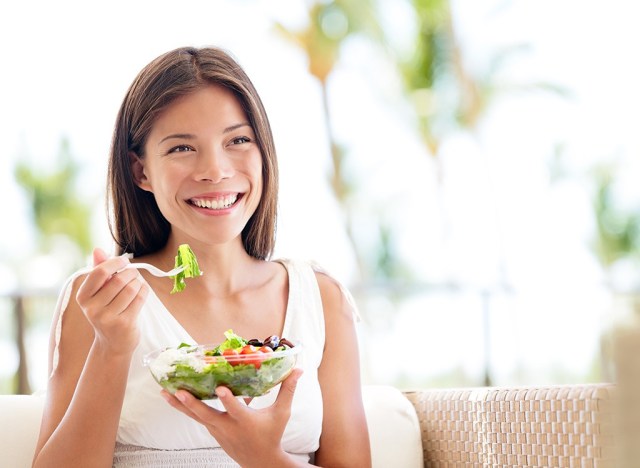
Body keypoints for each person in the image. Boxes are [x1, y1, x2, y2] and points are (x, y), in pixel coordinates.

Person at [32, 46, 371, 467]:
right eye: (181, 149)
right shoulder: (100, 301)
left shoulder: (320, 299)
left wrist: (264, 457)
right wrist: (112, 348)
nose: (215, 170)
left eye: (238, 140)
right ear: (141, 172)